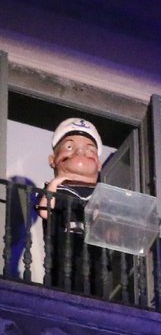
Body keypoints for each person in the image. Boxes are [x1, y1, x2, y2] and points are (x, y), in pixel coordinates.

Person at [36, 117, 108, 298]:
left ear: (99, 164)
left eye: (89, 149)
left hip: (93, 252)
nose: (81, 152)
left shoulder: (101, 194)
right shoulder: (56, 187)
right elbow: (45, 211)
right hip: (62, 246)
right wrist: (55, 183)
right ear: (53, 160)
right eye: (70, 147)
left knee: (95, 280)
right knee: (61, 276)